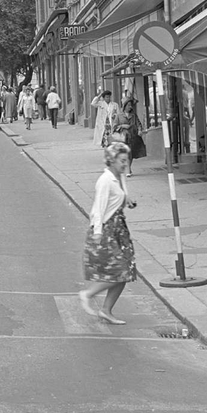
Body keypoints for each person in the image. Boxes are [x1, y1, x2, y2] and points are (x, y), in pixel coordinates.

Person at [80, 140, 138, 324]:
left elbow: (121, 195)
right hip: (106, 229)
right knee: (118, 271)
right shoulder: (105, 180)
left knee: (125, 272)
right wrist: (97, 233)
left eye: (126, 160)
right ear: (111, 161)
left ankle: (106, 310)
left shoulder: (120, 177)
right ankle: (87, 293)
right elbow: (98, 208)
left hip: (119, 229)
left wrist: (127, 201)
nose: (124, 164)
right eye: (121, 160)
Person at [121, 96, 147, 164]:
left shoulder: (133, 115)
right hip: (123, 137)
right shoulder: (119, 115)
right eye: (128, 105)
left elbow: (138, 123)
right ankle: (127, 168)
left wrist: (139, 130)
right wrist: (122, 126)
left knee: (130, 154)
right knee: (125, 154)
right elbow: (114, 126)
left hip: (132, 136)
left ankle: (128, 168)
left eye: (131, 105)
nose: (130, 107)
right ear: (124, 106)